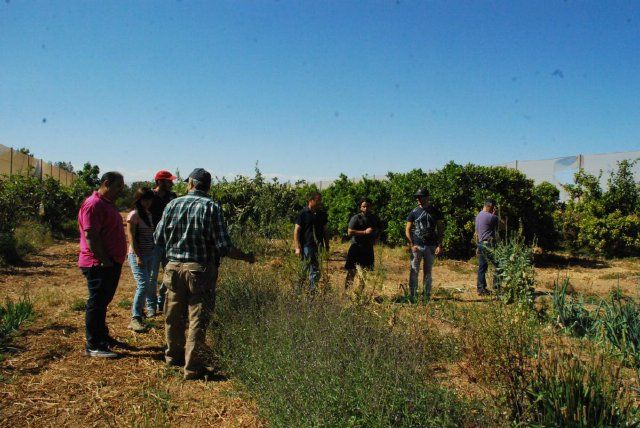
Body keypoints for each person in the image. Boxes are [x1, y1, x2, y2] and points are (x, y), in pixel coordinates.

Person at [154, 168, 255, 380]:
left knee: (173, 315)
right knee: (197, 318)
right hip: (199, 270)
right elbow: (223, 246)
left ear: (190, 183)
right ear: (207, 186)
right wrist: (246, 256)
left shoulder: (172, 204)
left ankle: (173, 356)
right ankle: (192, 367)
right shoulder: (211, 207)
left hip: (172, 268)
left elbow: (158, 237)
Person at [77, 172, 127, 358]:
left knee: (102, 302)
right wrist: (104, 259)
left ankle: (102, 336)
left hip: (109, 262)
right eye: (118, 186)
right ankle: (94, 345)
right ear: (106, 183)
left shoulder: (106, 204)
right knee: (97, 303)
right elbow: (91, 235)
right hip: (98, 263)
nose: (121, 190)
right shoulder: (93, 204)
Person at [405, 188, 444, 302]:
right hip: (417, 246)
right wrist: (411, 244)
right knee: (414, 271)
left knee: (428, 272)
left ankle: (426, 296)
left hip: (431, 246)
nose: (418, 199)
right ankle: (412, 295)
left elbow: (441, 228)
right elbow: (407, 228)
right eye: (417, 197)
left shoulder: (435, 211)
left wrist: (439, 245)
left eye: (420, 196)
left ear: (427, 197)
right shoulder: (414, 212)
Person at [125, 188, 156, 332]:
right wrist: (138, 255)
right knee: (143, 284)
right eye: (144, 199)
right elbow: (130, 236)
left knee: (147, 283)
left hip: (149, 253)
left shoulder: (148, 214)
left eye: (149, 199)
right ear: (138, 199)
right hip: (138, 255)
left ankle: (140, 313)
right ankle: (135, 317)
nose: (147, 202)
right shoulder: (134, 215)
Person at [148, 170, 178, 315]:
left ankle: (162, 303)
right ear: (160, 182)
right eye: (168, 181)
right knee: (152, 275)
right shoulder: (149, 197)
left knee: (169, 274)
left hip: (168, 242)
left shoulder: (172, 197)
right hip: (153, 242)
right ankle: (151, 306)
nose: (172, 183)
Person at [293, 191, 329, 291]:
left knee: (316, 270)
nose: (320, 203)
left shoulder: (322, 214)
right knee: (304, 269)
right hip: (306, 246)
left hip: (319, 246)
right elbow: (296, 231)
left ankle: (312, 292)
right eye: (318, 200)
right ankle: (297, 292)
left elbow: (325, 231)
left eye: (320, 201)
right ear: (311, 201)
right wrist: (297, 247)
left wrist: (327, 245)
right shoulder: (303, 213)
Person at [344, 198, 380, 290]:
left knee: (364, 273)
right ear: (360, 207)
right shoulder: (356, 218)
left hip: (368, 248)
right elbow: (349, 232)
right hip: (356, 248)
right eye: (364, 206)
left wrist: (376, 238)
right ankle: (347, 293)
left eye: (368, 206)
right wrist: (364, 232)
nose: (366, 208)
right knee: (352, 271)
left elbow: (378, 229)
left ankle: (359, 295)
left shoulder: (374, 218)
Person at [475, 199, 502, 295]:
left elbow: (477, 233)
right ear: (490, 206)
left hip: (481, 243)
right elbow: (503, 226)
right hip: (489, 244)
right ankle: (497, 286)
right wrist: (496, 214)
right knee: (499, 264)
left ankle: (480, 288)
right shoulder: (491, 217)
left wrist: (478, 246)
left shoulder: (478, 216)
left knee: (482, 267)